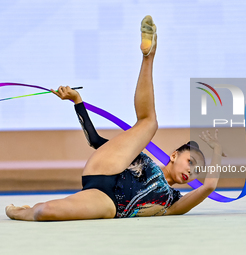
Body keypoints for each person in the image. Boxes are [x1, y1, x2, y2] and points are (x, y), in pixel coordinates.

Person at [5, 15, 226, 221]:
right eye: (190, 162)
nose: (190, 171)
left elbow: (208, 187)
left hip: (106, 201)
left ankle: (23, 212)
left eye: (196, 170)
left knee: (44, 212)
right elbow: (95, 141)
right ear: (174, 155)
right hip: (108, 168)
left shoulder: (173, 203)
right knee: (149, 123)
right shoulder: (140, 159)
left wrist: (217, 151)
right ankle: (148, 56)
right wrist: (77, 101)